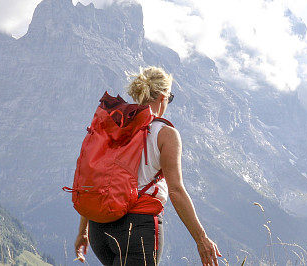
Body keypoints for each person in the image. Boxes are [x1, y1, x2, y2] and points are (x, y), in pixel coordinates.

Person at [73, 66, 221, 265]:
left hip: (100, 229)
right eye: (170, 97)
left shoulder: (114, 125)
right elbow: (176, 190)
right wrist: (201, 239)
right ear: (162, 96)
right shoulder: (165, 133)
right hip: (137, 229)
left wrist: (84, 230)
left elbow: (93, 178)